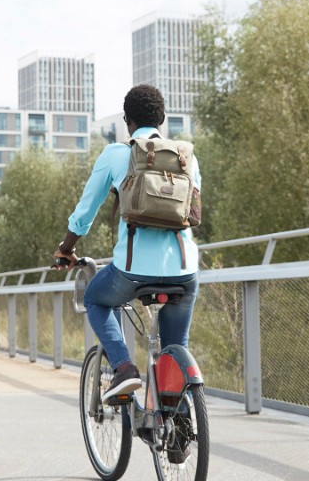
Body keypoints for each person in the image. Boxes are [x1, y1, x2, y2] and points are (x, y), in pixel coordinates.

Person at [54, 84, 201, 402]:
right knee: (175, 351)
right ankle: (177, 432)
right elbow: (193, 212)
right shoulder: (186, 157)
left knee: (95, 298)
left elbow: (84, 214)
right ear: (162, 117)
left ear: (127, 121)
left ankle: (123, 368)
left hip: (132, 271)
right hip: (184, 269)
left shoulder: (116, 154)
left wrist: (66, 248)